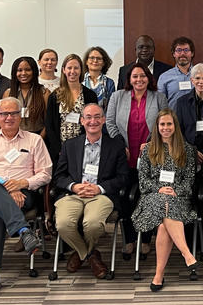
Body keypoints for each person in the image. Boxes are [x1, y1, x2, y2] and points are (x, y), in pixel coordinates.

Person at [0, 97, 50, 300]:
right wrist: (8, 186)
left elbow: (45, 173)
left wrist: (22, 183)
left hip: (24, 193)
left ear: (20, 115)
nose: (9, 117)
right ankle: (24, 231)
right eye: (4, 114)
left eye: (13, 113)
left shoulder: (34, 140)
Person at [53, 103, 128, 279]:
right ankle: (89, 255)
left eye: (97, 117)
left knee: (93, 224)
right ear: (81, 121)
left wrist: (99, 188)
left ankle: (80, 254)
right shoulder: (70, 145)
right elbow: (59, 176)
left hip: (101, 195)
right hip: (73, 195)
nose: (92, 121)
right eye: (88, 117)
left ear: (103, 120)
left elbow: (123, 177)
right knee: (63, 224)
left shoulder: (115, 146)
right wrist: (74, 186)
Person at [132, 109, 199, 291]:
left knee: (164, 224)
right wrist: (159, 189)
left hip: (179, 197)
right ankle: (187, 254)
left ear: (175, 126)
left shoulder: (187, 150)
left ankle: (159, 275)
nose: (166, 128)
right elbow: (143, 180)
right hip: (152, 198)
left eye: (169, 124)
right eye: (162, 124)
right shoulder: (148, 149)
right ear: (157, 127)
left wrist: (175, 190)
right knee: (163, 204)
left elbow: (189, 180)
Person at [106, 63, 168, 258]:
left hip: (151, 156)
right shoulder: (118, 97)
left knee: (146, 196)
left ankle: (146, 239)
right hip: (125, 156)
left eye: (142, 76)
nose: (139, 80)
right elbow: (110, 122)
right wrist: (119, 145)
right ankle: (129, 239)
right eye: (135, 76)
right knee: (125, 197)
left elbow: (165, 124)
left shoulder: (158, 98)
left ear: (149, 78)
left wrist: (151, 144)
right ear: (129, 79)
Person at [45, 54, 99, 164]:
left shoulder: (90, 95)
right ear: (64, 70)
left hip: (83, 148)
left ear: (81, 70)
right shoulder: (55, 95)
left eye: (76, 68)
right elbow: (49, 125)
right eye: (69, 68)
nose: (72, 71)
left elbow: (94, 122)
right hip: (60, 150)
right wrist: (58, 149)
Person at [2, 56, 49, 138]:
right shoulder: (8, 93)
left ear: (34, 71)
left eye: (28, 70)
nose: (23, 73)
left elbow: (49, 121)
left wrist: (40, 139)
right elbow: (3, 119)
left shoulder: (44, 93)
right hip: (14, 137)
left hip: (38, 136)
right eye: (19, 70)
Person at [158, 36, 196, 108]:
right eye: (179, 50)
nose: (182, 54)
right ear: (173, 54)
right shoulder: (164, 77)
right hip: (174, 118)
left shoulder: (200, 75)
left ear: (192, 53)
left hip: (196, 118)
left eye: (186, 50)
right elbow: (160, 104)